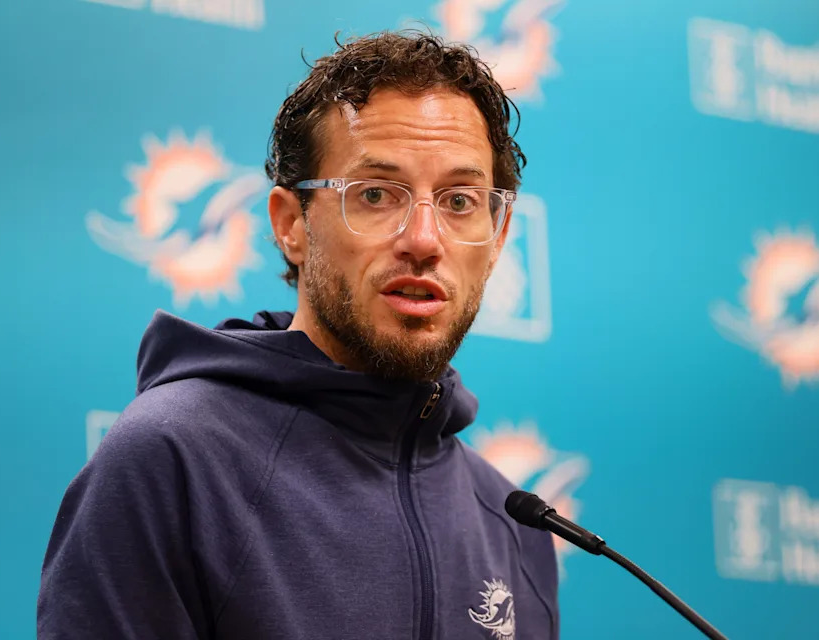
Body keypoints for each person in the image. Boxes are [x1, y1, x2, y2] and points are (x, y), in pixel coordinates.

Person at [38, 31, 559, 639]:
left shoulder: (515, 524)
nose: (424, 239)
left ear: (498, 238)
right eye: (375, 194)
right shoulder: (170, 461)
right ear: (291, 225)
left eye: (460, 201)